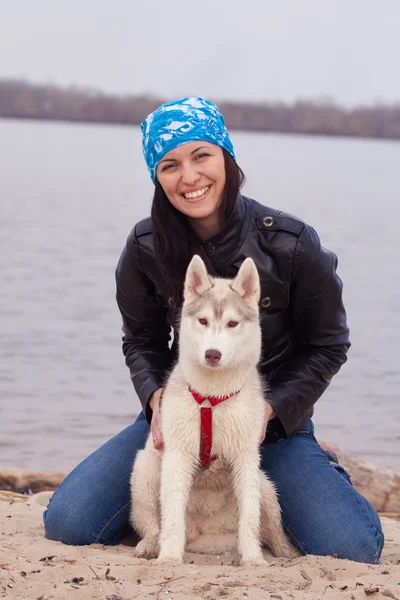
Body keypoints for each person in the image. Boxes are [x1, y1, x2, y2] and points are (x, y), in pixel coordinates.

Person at [43, 97, 384, 563]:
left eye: (201, 155)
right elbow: (141, 341)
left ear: (226, 156)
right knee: (68, 524)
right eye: (169, 165)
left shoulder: (291, 243)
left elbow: (329, 344)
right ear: (157, 177)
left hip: (267, 422)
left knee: (352, 546)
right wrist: (156, 399)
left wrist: (273, 410)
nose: (189, 177)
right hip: (183, 415)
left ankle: (315, 469)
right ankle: (176, 515)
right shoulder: (145, 247)